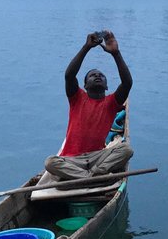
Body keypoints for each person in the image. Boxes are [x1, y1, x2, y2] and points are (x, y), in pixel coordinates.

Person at [44, 30, 133, 180]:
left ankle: (91, 175)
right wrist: (86, 47)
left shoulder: (111, 103)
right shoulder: (77, 97)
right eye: (92, 75)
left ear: (106, 86)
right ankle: (91, 177)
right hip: (72, 160)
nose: (97, 76)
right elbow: (69, 75)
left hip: (98, 157)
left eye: (101, 76)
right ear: (85, 85)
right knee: (50, 162)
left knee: (126, 150)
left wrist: (116, 53)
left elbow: (127, 83)